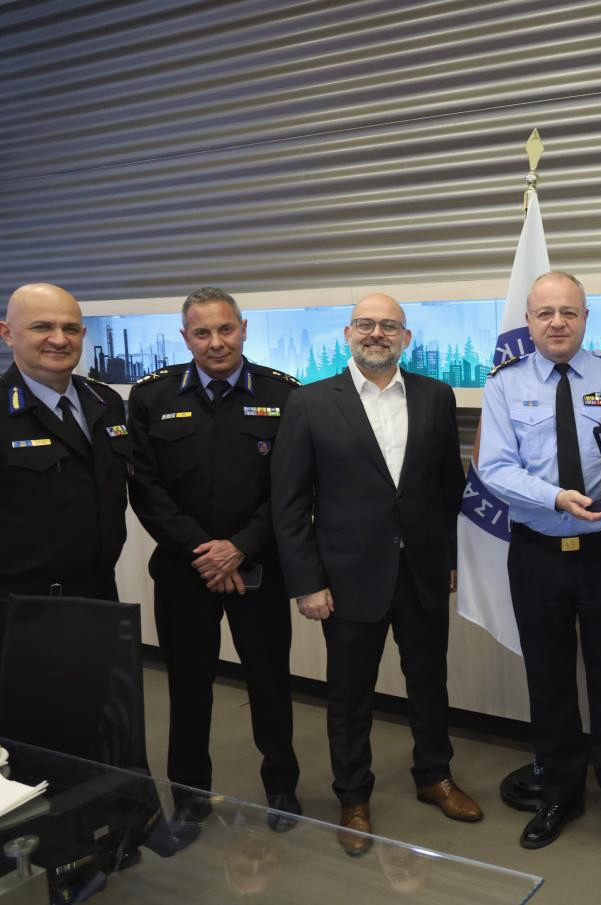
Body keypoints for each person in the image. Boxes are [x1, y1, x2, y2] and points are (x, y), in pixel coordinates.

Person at [271, 293, 480, 857]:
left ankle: (434, 776)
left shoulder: (436, 397)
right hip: (346, 578)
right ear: (347, 333)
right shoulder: (309, 402)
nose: (376, 334)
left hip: (422, 571)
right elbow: (289, 504)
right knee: (349, 694)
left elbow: (447, 488)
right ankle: (353, 797)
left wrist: (452, 558)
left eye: (389, 326)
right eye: (365, 324)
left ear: (406, 338)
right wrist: (307, 582)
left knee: (429, 683)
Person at [477, 271, 601, 853]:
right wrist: (555, 498)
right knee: (548, 680)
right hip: (537, 553)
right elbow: (494, 468)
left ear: (584, 318)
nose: (557, 323)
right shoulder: (504, 384)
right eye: (545, 313)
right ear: (528, 321)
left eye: (568, 312)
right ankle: (560, 794)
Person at [127, 287, 302, 833]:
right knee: (188, 686)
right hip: (186, 570)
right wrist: (206, 552)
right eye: (202, 333)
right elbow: (146, 488)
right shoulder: (151, 396)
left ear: (244, 329)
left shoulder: (283, 393)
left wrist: (240, 547)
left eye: (226, 329)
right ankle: (189, 794)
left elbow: (292, 488)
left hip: (259, 568)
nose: (216, 342)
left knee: (270, 683)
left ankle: (282, 788)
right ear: (185, 338)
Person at [0, 283, 129, 601]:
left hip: (101, 593)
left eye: (70, 329)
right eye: (42, 327)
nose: (59, 339)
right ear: (7, 334)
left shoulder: (105, 402)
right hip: (22, 605)